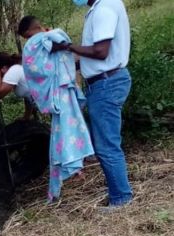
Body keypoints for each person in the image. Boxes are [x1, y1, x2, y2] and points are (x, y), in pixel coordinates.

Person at [49, 0, 133, 208]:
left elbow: (101, 51)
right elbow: (99, 55)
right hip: (107, 81)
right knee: (107, 143)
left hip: (106, 83)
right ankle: (119, 195)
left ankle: (121, 199)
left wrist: (65, 47)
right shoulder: (105, 6)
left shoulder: (104, 9)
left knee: (106, 146)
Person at [17, 16, 95, 203]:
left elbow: (43, 59)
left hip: (59, 92)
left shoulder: (37, 40)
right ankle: (72, 165)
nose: (28, 41)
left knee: (64, 132)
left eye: (27, 36)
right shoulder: (43, 39)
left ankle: (71, 166)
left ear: (31, 30)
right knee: (67, 130)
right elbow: (58, 46)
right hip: (62, 90)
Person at [0, 52, 36, 120]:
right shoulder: (17, 70)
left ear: (4, 68)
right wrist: (26, 117)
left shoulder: (14, 71)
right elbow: (28, 96)